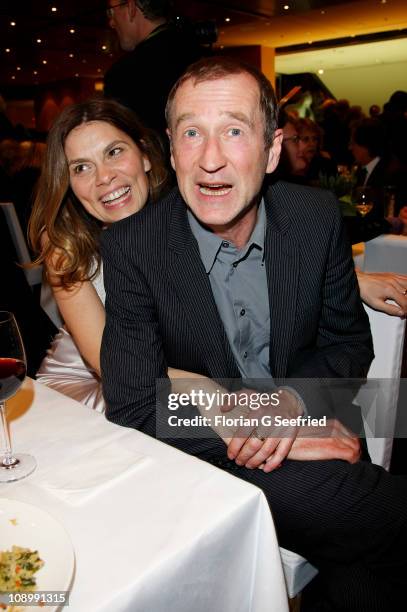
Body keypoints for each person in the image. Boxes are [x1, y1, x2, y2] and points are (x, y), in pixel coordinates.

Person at [101, 57, 407, 611]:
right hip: (214, 455)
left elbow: (348, 344)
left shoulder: (314, 217)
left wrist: (292, 402)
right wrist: (268, 423)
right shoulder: (134, 246)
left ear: (270, 150)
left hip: (311, 414)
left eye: (234, 131)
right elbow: (131, 399)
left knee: (359, 562)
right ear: (171, 150)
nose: (210, 159)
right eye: (192, 133)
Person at [29, 99, 169, 411]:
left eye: (114, 152)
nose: (103, 177)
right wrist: (210, 390)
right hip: (91, 390)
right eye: (81, 167)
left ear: (145, 155)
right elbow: (119, 371)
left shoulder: (184, 224)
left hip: (160, 379)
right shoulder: (63, 244)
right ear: (68, 183)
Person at [279, 116, 407, 317]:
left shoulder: (295, 190)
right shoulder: (284, 196)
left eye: (302, 139)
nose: (303, 147)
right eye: (297, 139)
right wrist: (356, 280)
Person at [104, 0, 205, 140]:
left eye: (111, 12)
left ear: (131, 7)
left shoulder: (123, 74)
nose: (111, 23)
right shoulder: (203, 55)